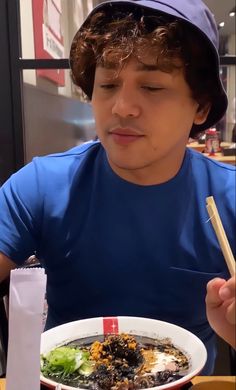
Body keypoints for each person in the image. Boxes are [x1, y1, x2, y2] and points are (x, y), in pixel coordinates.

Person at [0, 0, 235, 375]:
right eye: (107, 84)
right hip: (67, 378)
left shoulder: (227, 198)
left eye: (153, 86)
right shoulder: (43, 184)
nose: (122, 107)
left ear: (201, 106)